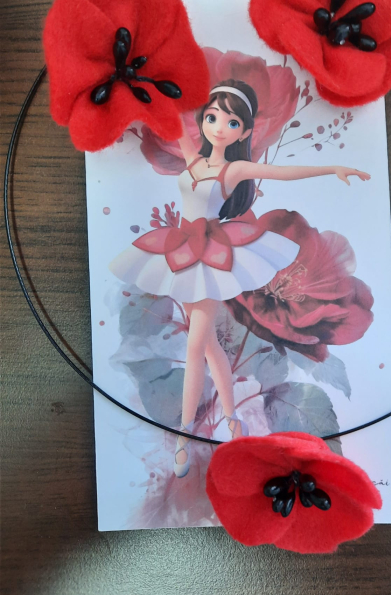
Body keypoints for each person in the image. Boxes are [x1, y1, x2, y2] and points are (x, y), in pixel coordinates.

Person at [109, 79, 370, 478]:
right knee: (210, 346)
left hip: (213, 253)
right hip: (182, 250)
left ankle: (182, 437)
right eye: (213, 117)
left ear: (244, 132)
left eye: (231, 122)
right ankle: (232, 420)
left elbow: (281, 172)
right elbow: (166, 114)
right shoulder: (192, 158)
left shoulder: (234, 169)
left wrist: (332, 168)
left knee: (195, 346)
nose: (219, 127)